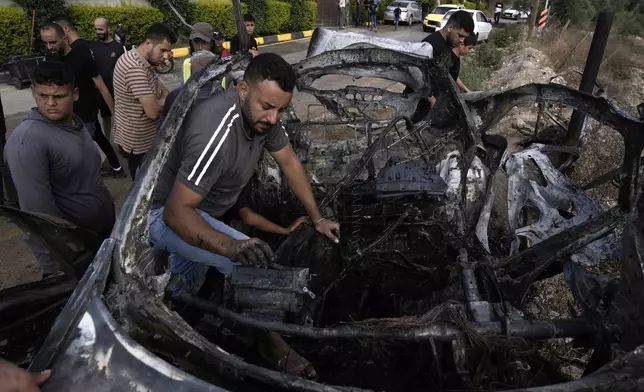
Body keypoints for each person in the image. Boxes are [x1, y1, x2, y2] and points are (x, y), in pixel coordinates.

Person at [148, 53, 340, 378]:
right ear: (242, 91)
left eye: (281, 109)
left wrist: (317, 217)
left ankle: (177, 310)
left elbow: (290, 162)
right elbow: (175, 215)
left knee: (186, 286)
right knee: (245, 260)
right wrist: (232, 247)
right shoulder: (216, 132)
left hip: (201, 212)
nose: (274, 117)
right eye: (267, 106)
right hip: (163, 213)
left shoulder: (263, 119)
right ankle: (270, 342)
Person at [4, 61, 115, 277]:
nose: (50, 103)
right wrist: (63, 264)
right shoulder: (28, 141)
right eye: (43, 96)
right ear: (33, 92)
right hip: (72, 258)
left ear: (74, 94)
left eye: (59, 96)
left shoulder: (74, 122)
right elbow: (39, 214)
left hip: (99, 240)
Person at [40, 22, 124, 178]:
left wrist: (115, 113)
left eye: (53, 42)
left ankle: (94, 185)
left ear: (64, 38)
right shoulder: (51, 60)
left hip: (85, 114)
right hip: (64, 115)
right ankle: (117, 168)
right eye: (45, 43)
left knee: (82, 153)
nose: (49, 47)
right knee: (99, 138)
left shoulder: (82, 57)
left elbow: (102, 87)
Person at [112, 23, 175, 180]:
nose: (166, 56)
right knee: (143, 184)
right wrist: (159, 101)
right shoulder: (135, 69)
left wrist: (157, 100)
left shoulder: (139, 60)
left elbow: (164, 91)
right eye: (163, 50)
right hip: (138, 144)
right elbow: (153, 112)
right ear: (148, 43)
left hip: (137, 137)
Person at [404, 10, 474, 122]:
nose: (461, 41)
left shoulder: (448, 46)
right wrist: (433, 102)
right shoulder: (430, 45)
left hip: (431, 107)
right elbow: (415, 75)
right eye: (460, 35)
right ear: (450, 27)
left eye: (464, 38)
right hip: (418, 106)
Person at [92, 17, 125, 140]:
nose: (98, 32)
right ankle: (108, 141)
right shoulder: (93, 47)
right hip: (100, 91)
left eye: (101, 29)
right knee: (106, 118)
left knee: (120, 117)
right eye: (96, 29)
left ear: (108, 28)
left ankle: (122, 142)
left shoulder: (118, 47)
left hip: (117, 90)